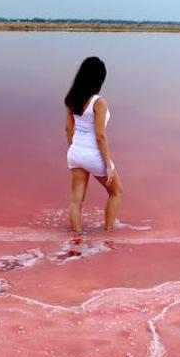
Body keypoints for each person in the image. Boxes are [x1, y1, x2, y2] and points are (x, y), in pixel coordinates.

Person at [64, 56, 123, 233]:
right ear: (99, 78)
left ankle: (76, 237)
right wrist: (108, 165)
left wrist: (72, 148)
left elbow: (68, 128)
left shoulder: (71, 98)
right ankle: (108, 232)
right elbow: (100, 136)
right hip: (93, 154)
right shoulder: (99, 102)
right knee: (116, 192)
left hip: (75, 152)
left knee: (76, 200)